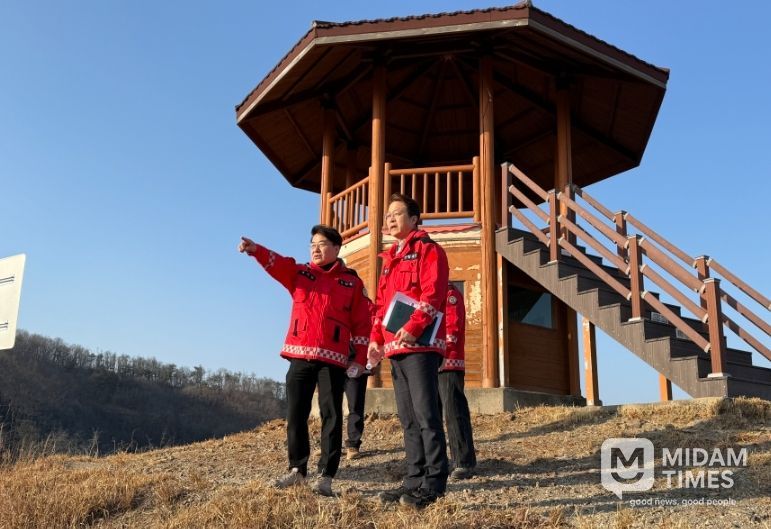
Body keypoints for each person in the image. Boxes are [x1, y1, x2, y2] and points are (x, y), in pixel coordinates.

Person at [238, 225, 370, 497]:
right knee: (295, 414)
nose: (316, 249)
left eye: (322, 244)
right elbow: (279, 265)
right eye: (312, 244)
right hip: (299, 355)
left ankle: (326, 475)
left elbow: (361, 323)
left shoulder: (351, 283)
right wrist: (256, 251)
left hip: (332, 359)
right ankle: (297, 470)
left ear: (336, 248)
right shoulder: (300, 274)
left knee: (331, 416)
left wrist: (360, 358)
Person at [367, 193, 450, 508]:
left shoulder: (429, 251)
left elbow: (434, 294)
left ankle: (435, 482)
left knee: (427, 414)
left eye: (397, 213)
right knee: (408, 418)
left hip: (420, 346)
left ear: (415, 220)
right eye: (387, 215)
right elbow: (380, 308)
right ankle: (413, 480)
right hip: (394, 349)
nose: (390, 219)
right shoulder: (388, 261)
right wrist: (375, 339)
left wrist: (414, 327)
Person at [439, 282, 477, 480]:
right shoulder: (430, 294)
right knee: (432, 415)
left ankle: (464, 461)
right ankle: (438, 461)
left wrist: (443, 350)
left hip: (449, 362)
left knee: (454, 411)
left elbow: (452, 327)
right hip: (430, 361)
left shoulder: (450, 293)